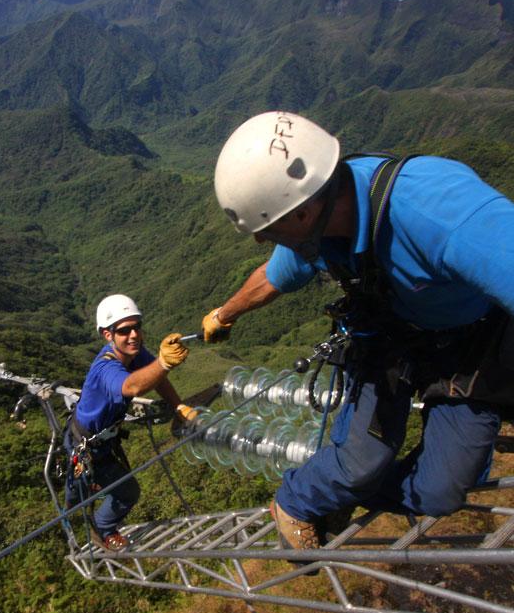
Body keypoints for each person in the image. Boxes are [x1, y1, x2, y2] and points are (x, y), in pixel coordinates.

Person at [202, 110, 514, 550]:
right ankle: (299, 499)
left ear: (303, 212)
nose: (262, 240)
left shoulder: (437, 212)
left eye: (268, 229)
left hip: (467, 345)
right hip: (389, 343)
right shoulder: (322, 228)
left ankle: (354, 490)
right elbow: (273, 277)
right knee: (360, 462)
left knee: (441, 491)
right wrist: (223, 315)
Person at [65, 294, 194, 551]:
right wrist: (164, 362)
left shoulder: (134, 354)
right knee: (82, 496)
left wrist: (179, 406)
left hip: (104, 441)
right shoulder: (105, 368)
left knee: (119, 491)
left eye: (137, 327)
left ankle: (98, 521)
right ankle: (92, 529)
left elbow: (157, 379)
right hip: (84, 446)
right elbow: (132, 385)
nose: (134, 335)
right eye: (124, 330)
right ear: (107, 335)